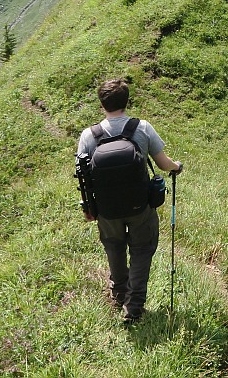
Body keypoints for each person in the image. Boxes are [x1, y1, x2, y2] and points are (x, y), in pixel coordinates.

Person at [76, 78, 182, 324]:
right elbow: (164, 164)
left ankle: (119, 291)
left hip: (106, 209)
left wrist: (88, 208)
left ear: (102, 104)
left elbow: (82, 175)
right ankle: (134, 305)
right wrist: (177, 167)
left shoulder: (89, 136)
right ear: (127, 102)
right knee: (142, 249)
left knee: (113, 246)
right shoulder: (142, 128)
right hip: (140, 205)